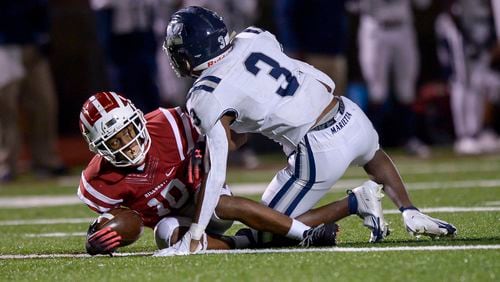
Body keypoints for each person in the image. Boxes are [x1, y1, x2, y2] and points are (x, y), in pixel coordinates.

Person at [159, 6, 457, 256]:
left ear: (189, 55)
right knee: (371, 153)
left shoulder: (205, 94)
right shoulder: (254, 37)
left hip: (319, 147)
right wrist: (408, 208)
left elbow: (216, 172)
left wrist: (196, 231)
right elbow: (373, 156)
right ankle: (409, 211)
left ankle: (353, 203)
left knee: (264, 226)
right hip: (350, 114)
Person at [78, 91, 346, 256]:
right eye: (115, 141)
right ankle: (352, 203)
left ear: (138, 118)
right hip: (175, 223)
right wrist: (97, 240)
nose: (128, 143)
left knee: (218, 202)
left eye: (128, 130)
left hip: (204, 197)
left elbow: (233, 136)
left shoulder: (169, 124)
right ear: (98, 148)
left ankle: (304, 234)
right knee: (164, 233)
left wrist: (206, 151)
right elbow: (121, 222)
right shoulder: (97, 182)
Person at [353, 0, 431, 157]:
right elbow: (354, 6)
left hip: (403, 27)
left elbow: (423, 4)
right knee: (376, 90)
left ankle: (409, 138)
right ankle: (372, 143)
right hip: (375, 28)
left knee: (406, 88)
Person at [0, 0, 67, 182]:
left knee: (44, 104)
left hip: (32, 42)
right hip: (4, 44)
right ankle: (5, 164)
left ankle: (46, 160)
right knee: (5, 109)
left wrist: (44, 32)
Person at [435, 0, 500, 155]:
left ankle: (477, 132)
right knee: (462, 81)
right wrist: (462, 29)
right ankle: (464, 135)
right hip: (458, 27)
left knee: (479, 82)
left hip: (479, 27)